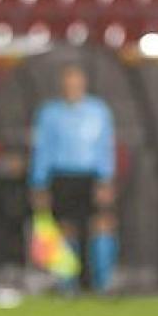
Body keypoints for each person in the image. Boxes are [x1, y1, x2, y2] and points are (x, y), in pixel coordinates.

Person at [27, 63, 118, 292]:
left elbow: (105, 147)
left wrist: (106, 179)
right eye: (68, 82)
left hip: (91, 176)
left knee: (101, 226)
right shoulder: (49, 113)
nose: (72, 87)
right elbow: (43, 149)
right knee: (65, 229)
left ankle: (100, 282)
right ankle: (68, 283)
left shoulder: (98, 111)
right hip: (62, 175)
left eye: (76, 82)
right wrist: (39, 183)